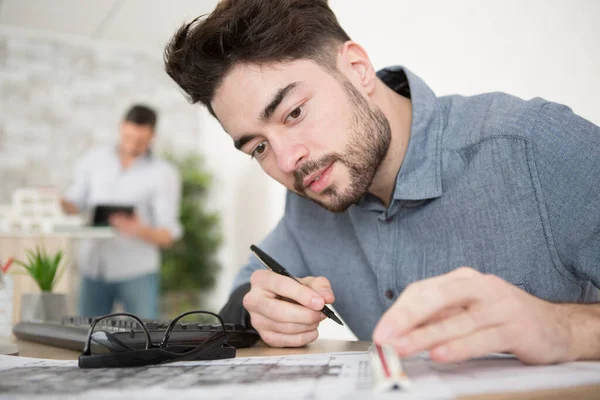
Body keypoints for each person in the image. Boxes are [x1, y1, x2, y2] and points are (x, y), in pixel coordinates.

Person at [163, 0, 600, 364]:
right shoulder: (312, 195)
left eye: (294, 113)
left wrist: (562, 328)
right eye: (258, 147)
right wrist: (257, 308)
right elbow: (249, 285)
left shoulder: (535, 144)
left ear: (357, 68)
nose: (287, 160)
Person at [62, 104, 183, 319]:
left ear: (152, 136)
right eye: (128, 137)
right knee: (84, 338)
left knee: (144, 341)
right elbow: (74, 202)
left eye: (140, 140)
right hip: (93, 268)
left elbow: (168, 235)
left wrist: (138, 229)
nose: (132, 145)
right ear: (121, 128)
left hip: (136, 272)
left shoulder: (164, 174)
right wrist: (54, 201)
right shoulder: (93, 161)